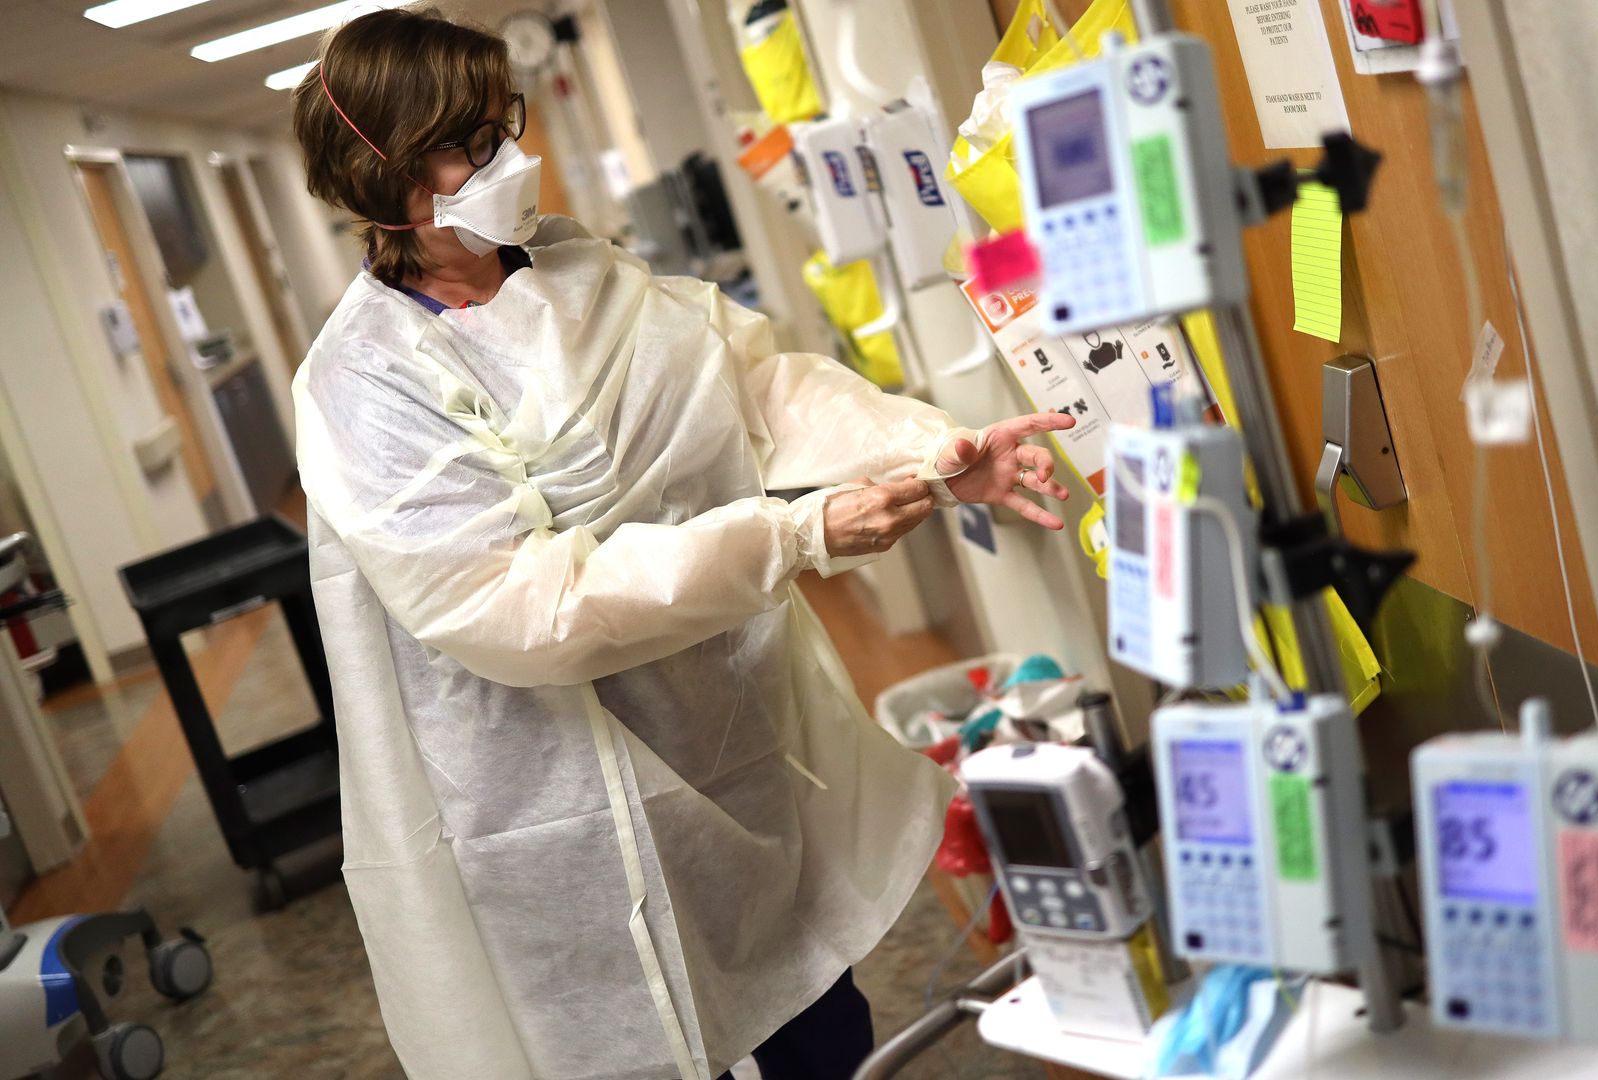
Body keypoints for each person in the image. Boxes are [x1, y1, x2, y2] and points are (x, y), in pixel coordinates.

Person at [287, 9, 1073, 1079]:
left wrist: (933, 449)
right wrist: (790, 536)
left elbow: (751, 386)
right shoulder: (365, 384)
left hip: (731, 744)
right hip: (566, 813)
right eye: (467, 142)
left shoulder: (578, 270)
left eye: (502, 124)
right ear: (381, 172)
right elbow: (517, 608)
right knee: (660, 1037)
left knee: (815, 1020)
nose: (510, 158)